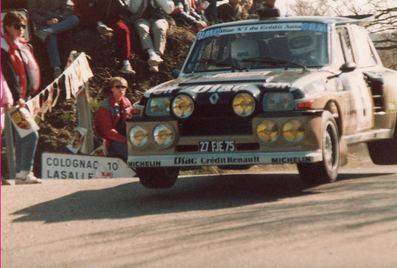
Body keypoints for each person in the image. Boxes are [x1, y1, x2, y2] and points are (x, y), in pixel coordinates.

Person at [1, 11, 42, 184]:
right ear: (7, 26)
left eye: (23, 26)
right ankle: (26, 171)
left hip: (22, 96)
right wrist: (17, 97)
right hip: (11, 99)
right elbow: (8, 75)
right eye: (17, 26)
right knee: (31, 134)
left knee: (22, 136)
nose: (21, 29)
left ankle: (20, 173)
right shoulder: (3, 46)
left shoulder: (20, 44)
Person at [72, 0, 136, 74]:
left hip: (112, 19)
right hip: (94, 17)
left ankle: (126, 63)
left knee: (123, 30)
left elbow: (124, 11)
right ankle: (100, 25)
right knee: (90, 15)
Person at [28, 0, 79, 79]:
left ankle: (49, 31)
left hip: (59, 21)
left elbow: (68, 9)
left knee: (74, 19)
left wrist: (58, 19)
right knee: (50, 37)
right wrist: (46, 22)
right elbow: (32, 13)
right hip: (43, 23)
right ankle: (56, 68)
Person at [129, 0, 175, 73]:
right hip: (142, 18)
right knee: (142, 27)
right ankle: (152, 54)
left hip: (159, 18)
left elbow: (169, 9)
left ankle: (156, 58)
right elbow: (133, 9)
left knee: (160, 28)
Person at [94, 77, 133, 161]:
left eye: (124, 87)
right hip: (107, 140)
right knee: (130, 151)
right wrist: (125, 140)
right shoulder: (104, 107)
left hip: (123, 137)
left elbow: (131, 123)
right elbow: (107, 131)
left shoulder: (127, 102)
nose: (121, 89)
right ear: (112, 89)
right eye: (118, 87)